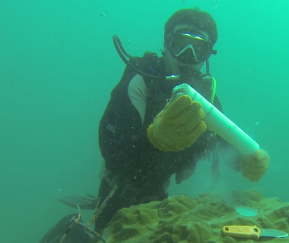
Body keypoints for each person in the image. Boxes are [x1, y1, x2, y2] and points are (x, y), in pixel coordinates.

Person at [42, 8, 268, 240]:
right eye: (181, 43)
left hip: (160, 200)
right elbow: (112, 150)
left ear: (208, 56)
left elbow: (228, 145)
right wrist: (155, 138)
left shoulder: (206, 100)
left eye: (199, 49)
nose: (188, 56)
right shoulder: (141, 79)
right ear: (166, 43)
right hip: (116, 193)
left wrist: (248, 160)